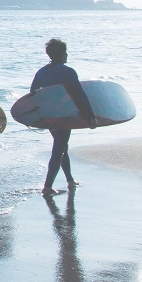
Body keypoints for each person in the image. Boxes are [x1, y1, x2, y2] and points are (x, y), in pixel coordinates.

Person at [31, 39, 97, 196]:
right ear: (62, 54)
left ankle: (70, 180)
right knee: (59, 149)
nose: (66, 55)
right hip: (65, 116)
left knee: (62, 146)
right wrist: (91, 116)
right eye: (65, 52)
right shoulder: (68, 71)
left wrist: (38, 116)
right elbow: (80, 95)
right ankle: (47, 187)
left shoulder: (41, 72)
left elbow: (33, 94)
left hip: (50, 117)